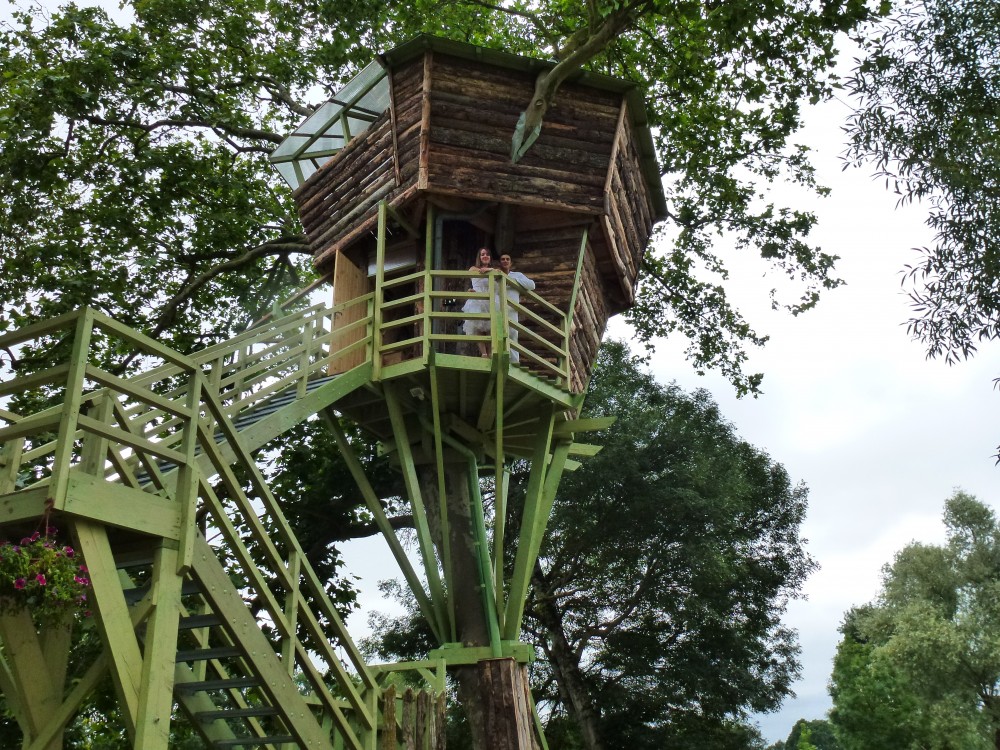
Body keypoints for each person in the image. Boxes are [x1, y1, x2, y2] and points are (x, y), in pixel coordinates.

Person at [498, 252, 535, 363]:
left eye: (507, 259)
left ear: (511, 262)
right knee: (498, 334)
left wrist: (513, 281)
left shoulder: (517, 275)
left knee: (513, 335)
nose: (505, 261)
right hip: (497, 308)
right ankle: (500, 361)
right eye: (503, 259)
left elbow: (532, 285)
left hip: (511, 309)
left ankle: (514, 364)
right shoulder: (496, 274)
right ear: (500, 262)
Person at [462, 247, 494, 357]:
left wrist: (489, 270)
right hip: (477, 296)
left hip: (490, 298)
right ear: (479, 257)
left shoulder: (494, 270)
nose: (485, 256)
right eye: (482, 254)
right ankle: (484, 353)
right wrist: (485, 270)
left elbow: (499, 273)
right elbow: (474, 272)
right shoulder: (473, 268)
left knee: (491, 328)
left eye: (487, 254)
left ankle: (490, 353)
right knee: (478, 327)